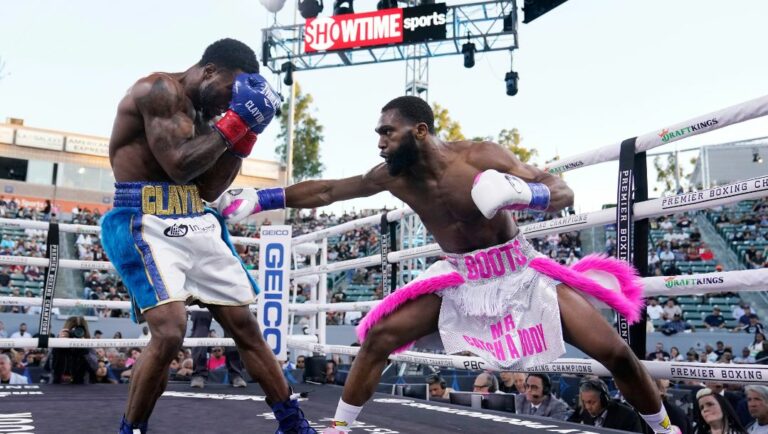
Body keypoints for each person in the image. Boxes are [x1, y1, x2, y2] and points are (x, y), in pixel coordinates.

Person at [216, 95, 675, 433]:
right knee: (379, 338)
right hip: (460, 278)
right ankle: (338, 428)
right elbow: (329, 191)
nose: (379, 142)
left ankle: (664, 429)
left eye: (386, 131)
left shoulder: (479, 156)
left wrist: (523, 194)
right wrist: (263, 197)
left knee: (615, 353)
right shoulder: (393, 177)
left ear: (419, 130)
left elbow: (562, 191)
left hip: (520, 273)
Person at [100, 38, 313, 433]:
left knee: (245, 326)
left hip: (195, 217)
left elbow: (209, 189)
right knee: (169, 331)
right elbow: (179, 166)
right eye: (232, 93)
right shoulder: (158, 90)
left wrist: (245, 132)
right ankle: (132, 429)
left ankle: (292, 423)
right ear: (210, 71)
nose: (230, 105)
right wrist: (236, 120)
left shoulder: (206, 115)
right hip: (142, 217)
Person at [568, 378, 643, 432]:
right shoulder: (583, 410)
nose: (588, 407)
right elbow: (566, 426)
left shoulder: (627, 416)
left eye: (592, 402)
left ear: (604, 400)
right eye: (585, 402)